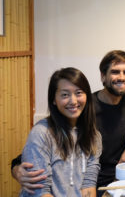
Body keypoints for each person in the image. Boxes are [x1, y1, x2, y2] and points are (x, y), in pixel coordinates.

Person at [12, 50, 125, 196]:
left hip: (112, 180)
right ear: (103, 76)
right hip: (97, 183)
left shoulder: (97, 129)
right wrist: (16, 168)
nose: (121, 77)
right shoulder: (79, 113)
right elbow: (35, 154)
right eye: (115, 72)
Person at [20, 67, 102, 197]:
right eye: (65, 95)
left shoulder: (94, 136)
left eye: (79, 93)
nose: (73, 101)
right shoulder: (41, 133)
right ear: (54, 99)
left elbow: (88, 186)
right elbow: (40, 191)